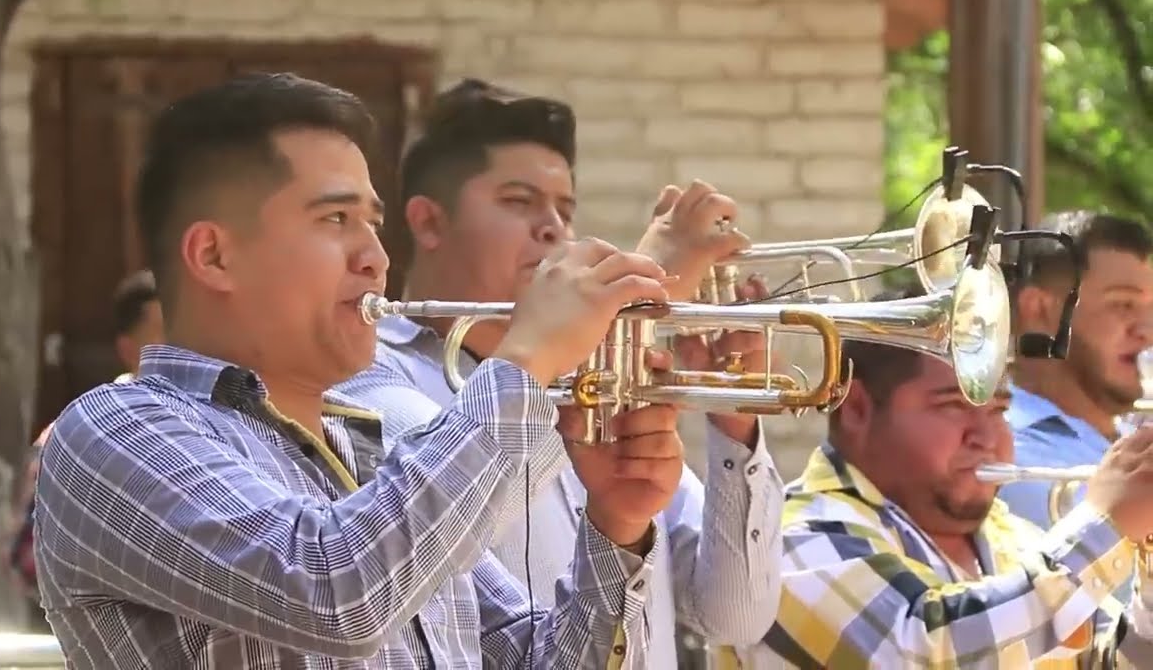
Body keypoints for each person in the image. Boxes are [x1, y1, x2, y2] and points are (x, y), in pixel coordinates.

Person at [33, 72, 690, 668]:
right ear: (214, 256)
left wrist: (616, 525)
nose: (376, 257)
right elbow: (335, 592)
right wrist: (528, 360)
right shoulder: (113, 431)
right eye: (336, 218)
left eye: (373, 223)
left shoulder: (381, 449)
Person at [334, 78, 782, 666]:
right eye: (519, 202)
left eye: (564, 210)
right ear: (429, 222)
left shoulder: (598, 372)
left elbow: (735, 615)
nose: (552, 228)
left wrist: (734, 418)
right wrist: (635, 295)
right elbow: (452, 507)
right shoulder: (370, 372)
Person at [725, 284, 1153, 668]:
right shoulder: (788, 542)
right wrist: (1106, 524)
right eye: (953, 406)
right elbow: (926, 651)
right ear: (856, 409)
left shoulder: (1016, 541)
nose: (987, 437)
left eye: (998, 410)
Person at [8, 268, 164, 599]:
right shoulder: (76, 437)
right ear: (128, 350)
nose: (187, 353)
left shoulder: (228, 430)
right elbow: (28, 556)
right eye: (167, 339)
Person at [1000, 211, 1153, 534]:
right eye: (1123, 305)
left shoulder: (1130, 434)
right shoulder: (1001, 446)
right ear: (1039, 308)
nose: (1147, 332)